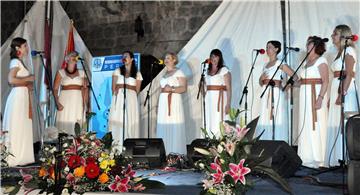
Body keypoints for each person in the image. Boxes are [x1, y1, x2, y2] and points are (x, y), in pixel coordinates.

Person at [325, 24, 358, 167]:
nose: (332, 36)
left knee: (344, 122)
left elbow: (349, 73)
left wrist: (342, 93)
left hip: (345, 89)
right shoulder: (340, 52)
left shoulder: (349, 50)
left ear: (344, 35)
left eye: (335, 33)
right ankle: (337, 158)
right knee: (335, 122)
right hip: (336, 87)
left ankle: (345, 158)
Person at [297, 36, 329, 168]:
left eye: (309, 44)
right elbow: (301, 81)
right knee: (306, 125)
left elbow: (326, 81)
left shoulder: (321, 60)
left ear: (315, 46)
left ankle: (318, 158)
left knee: (316, 125)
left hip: (315, 95)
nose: (307, 46)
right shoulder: (305, 62)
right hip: (304, 96)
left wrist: (320, 98)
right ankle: (306, 157)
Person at [3, 37, 35, 167]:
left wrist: (27, 83)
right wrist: (28, 79)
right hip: (18, 97)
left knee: (22, 125)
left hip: (23, 96)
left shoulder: (20, 62)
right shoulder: (15, 61)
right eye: (25, 46)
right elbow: (11, 80)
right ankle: (14, 157)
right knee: (17, 125)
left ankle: (22, 156)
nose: (27, 48)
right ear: (18, 48)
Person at [256, 40, 296, 142]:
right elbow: (261, 83)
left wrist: (286, 87)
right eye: (267, 47)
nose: (267, 49)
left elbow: (294, 76)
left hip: (276, 93)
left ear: (276, 49)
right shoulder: (265, 65)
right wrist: (261, 79)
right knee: (265, 116)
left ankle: (277, 141)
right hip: (266, 94)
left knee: (276, 117)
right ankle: (266, 142)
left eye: (269, 47)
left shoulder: (280, 63)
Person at [108, 51, 142, 152]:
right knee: (119, 121)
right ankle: (116, 148)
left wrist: (124, 86)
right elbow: (113, 88)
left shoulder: (137, 73)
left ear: (131, 59)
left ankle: (130, 148)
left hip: (131, 99)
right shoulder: (117, 71)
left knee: (129, 121)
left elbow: (137, 90)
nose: (124, 58)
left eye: (126, 56)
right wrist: (120, 87)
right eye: (123, 56)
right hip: (119, 98)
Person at [156, 52, 187, 155]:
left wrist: (172, 89)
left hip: (173, 101)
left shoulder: (179, 72)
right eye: (165, 57)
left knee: (174, 125)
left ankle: (176, 153)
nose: (166, 59)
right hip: (163, 103)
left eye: (168, 58)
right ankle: (165, 153)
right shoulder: (164, 74)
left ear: (174, 60)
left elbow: (183, 88)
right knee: (163, 125)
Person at [54, 51, 88, 135]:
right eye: (72, 56)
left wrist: (85, 103)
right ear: (67, 59)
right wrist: (57, 103)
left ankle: (78, 144)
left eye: (75, 56)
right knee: (65, 120)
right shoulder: (60, 72)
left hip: (78, 99)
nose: (74, 57)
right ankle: (65, 143)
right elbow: (55, 89)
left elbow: (85, 89)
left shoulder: (82, 72)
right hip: (65, 99)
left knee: (77, 120)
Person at [204, 49, 231, 137]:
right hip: (209, 99)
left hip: (220, 98)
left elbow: (229, 88)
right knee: (209, 119)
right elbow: (203, 88)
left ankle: (219, 140)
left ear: (219, 58)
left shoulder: (224, 70)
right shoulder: (206, 71)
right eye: (212, 56)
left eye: (215, 56)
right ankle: (209, 139)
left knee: (218, 119)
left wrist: (228, 104)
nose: (213, 58)